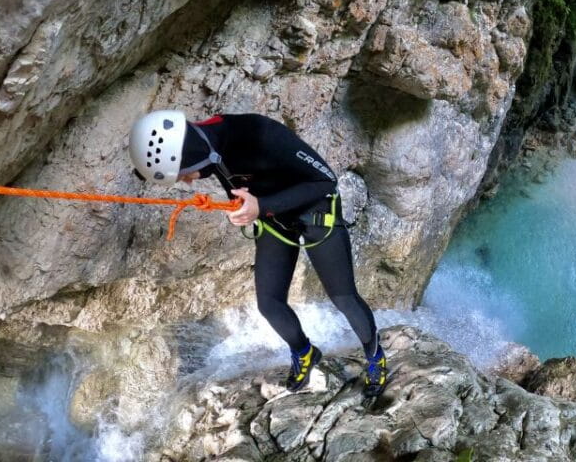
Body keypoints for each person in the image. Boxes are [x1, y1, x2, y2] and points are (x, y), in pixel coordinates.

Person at [129, 110, 387, 397]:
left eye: (184, 174)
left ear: (191, 153)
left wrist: (259, 206)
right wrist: (241, 208)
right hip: (274, 219)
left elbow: (325, 180)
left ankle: (375, 356)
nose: (188, 181)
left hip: (316, 210)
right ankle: (305, 352)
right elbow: (242, 183)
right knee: (269, 303)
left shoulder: (258, 133)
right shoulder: (211, 148)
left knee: (343, 297)